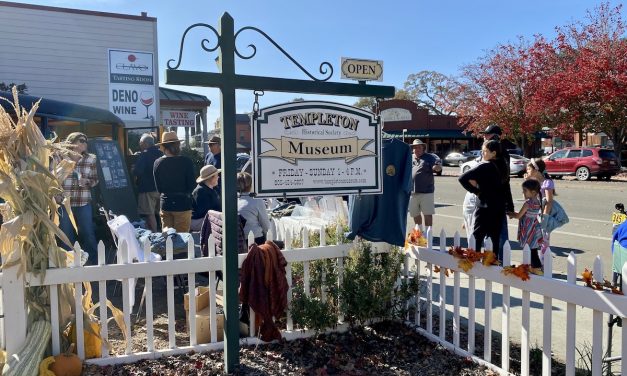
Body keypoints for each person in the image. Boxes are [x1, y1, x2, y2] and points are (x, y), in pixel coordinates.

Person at [458, 140, 509, 256]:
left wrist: (477, 192)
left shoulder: (485, 166)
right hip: (499, 207)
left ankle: (474, 262)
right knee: (494, 238)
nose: (482, 154)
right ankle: (492, 263)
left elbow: (462, 178)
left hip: (484, 206)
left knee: (477, 237)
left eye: (485, 151)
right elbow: (505, 187)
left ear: (494, 153)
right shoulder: (503, 166)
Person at [57, 132, 99, 264]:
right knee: (66, 233)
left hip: (83, 201)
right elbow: (53, 178)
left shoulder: (91, 159)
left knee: (87, 232)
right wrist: (55, 194)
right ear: (72, 142)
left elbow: (95, 179)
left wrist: (87, 182)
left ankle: (93, 262)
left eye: (86, 141)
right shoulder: (60, 158)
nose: (85, 143)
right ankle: (69, 262)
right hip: (64, 202)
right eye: (81, 140)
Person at [480, 125, 513, 258]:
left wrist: (508, 203)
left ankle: (500, 259)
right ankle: (493, 258)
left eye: (486, 134)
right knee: (490, 231)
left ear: (494, 135)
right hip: (490, 197)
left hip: (496, 197)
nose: (484, 136)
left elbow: (505, 180)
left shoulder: (500, 152)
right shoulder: (491, 151)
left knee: (499, 232)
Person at [153, 131, 196, 233]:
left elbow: (158, 188)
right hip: (183, 204)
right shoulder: (186, 162)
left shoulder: (157, 163)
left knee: (167, 240)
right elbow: (192, 186)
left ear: (163, 147)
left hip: (166, 204)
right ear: (178, 145)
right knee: (182, 240)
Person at [507, 179, 544, 272]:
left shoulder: (528, 203)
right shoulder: (538, 202)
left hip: (527, 227)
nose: (523, 192)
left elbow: (519, 215)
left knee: (529, 249)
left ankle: (535, 267)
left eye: (525, 190)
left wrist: (510, 214)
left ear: (533, 192)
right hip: (535, 227)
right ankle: (536, 267)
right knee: (533, 248)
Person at [524, 158, 556, 255]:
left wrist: (545, 217)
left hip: (544, 214)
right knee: (533, 239)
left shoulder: (547, 182)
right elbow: (527, 198)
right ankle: (535, 263)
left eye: (529, 169)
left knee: (544, 240)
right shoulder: (534, 182)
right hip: (534, 214)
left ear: (536, 170)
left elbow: (549, 201)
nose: (527, 171)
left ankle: (543, 263)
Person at [133, 133, 163, 232]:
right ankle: (165, 233)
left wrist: (133, 170)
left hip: (147, 188)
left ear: (145, 143)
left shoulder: (144, 155)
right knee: (161, 213)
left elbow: (138, 171)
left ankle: (155, 234)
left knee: (149, 214)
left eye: (140, 143)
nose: (140, 145)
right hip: (161, 188)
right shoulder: (161, 153)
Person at [409, 139, 442, 229]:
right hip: (412, 191)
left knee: (427, 213)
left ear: (423, 148)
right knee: (415, 213)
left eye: (419, 147)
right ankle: (419, 232)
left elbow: (437, 167)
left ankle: (428, 233)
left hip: (426, 192)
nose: (416, 149)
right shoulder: (410, 157)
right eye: (415, 147)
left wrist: (437, 168)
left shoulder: (430, 157)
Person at [237, 171, 271, 245]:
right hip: (256, 240)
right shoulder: (257, 201)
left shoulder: (234, 200)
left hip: (238, 240)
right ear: (250, 185)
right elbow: (265, 225)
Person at [190, 164, 221, 231]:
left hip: (209, 218)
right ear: (211, 178)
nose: (218, 177)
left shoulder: (214, 189)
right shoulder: (200, 191)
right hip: (199, 220)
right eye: (216, 175)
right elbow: (205, 212)